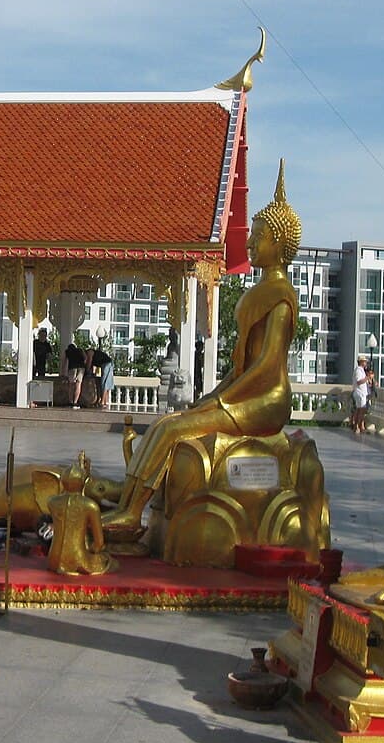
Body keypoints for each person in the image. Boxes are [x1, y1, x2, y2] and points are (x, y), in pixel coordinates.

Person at [103, 162, 300, 538]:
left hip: (267, 401)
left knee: (174, 428)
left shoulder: (280, 297)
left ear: (279, 243)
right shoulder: (257, 293)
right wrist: (212, 395)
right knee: (164, 423)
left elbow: (265, 368)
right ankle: (127, 503)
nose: (251, 244)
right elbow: (241, 364)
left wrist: (220, 402)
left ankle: (133, 512)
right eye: (252, 236)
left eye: (259, 237)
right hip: (245, 393)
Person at [46, 458, 117, 576]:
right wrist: (92, 551)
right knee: (108, 561)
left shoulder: (52, 502)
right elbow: (99, 542)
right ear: (83, 483)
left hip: (53, 560)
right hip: (78, 560)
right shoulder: (90, 506)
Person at [351, 355, 370, 433]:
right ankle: (357, 427)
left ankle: (356, 426)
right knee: (361, 411)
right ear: (361, 362)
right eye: (365, 361)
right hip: (360, 393)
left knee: (359, 410)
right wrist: (367, 378)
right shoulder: (358, 370)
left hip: (360, 393)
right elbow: (359, 381)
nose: (366, 363)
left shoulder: (361, 370)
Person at [64, 342, 85, 408]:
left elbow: (65, 361)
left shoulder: (67, 352)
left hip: (72, 368)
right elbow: (85, 358)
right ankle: (75, 402)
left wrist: (63, 372)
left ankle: (70, 402)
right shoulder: (80, 350)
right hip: (81, 368)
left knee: (71, 385)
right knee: (78, 384)